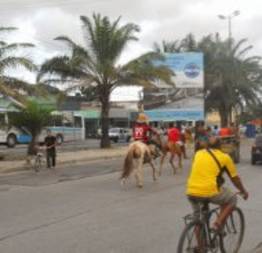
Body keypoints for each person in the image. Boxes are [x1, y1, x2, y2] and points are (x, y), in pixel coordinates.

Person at [186, 135, 249, 234]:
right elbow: (235, 179)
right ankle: (217, 224)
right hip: (209, 191)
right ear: (220, 146)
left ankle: (199, 247)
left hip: (191, 191)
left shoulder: (198, 153)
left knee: (198, 220)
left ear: (207, 145)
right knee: (232, 198)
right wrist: (243, 191)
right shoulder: (225, 157)